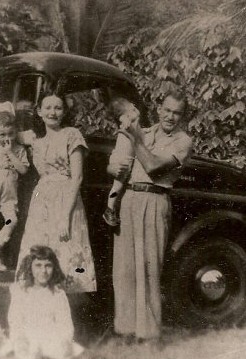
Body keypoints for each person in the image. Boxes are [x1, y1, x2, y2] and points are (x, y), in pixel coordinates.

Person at [108, 89, 193, 340]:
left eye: (177, 113)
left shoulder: (183, 141)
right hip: (130, 198)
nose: (170, 116)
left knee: (149, 267)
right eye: (167, 110)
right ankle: (126, 329)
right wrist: (111, 166)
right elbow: (118, 165)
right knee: (124, 268)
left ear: (182, 116)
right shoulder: (143, 132)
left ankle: (149, 332)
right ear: (158, 109)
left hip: (156, 200)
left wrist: (134, 139)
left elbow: (154, 167)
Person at [16, 93, 96, 293]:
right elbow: (3, 130)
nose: (53, 112)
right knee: (38, 251)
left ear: (64, 112)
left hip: (64, 200)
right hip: (41, 202)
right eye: (48, 107)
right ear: (39, 111)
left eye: (58, 108)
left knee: (64, 252)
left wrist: (64, 217)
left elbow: (77, 177)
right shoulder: (37, 141)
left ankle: (64, 312)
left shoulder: (72, 134)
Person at [9, 245, 85, 359]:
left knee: (65, 352)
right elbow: (15, 321)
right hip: (27, 338)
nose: (43, 271)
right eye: (38, 266)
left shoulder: (58, 294)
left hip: (51, 338)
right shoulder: (21, 292)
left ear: (54, 268)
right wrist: (20, 339)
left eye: (48, 266)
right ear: (30, 267)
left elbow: (65, 325)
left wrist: (65, 341)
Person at [0, 111, 29, 271]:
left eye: (10, 134)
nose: (7, 138)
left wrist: (10, 152)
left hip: (9, 192)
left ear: (16, 132)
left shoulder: (19, 150)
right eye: (2, 134)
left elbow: (23, 170)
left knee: (12, 220)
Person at [103, 97, 140, 226]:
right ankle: (109, 209)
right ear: (123, 116)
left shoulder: (135, 123)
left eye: (134, 107)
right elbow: (125, 123)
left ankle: (112, 207)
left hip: (125, 159)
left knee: (119, 185)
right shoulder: (126, 121)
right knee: (117, 186)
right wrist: (126, 122)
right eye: (132, 109)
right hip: (121, 160)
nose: (135, 110)